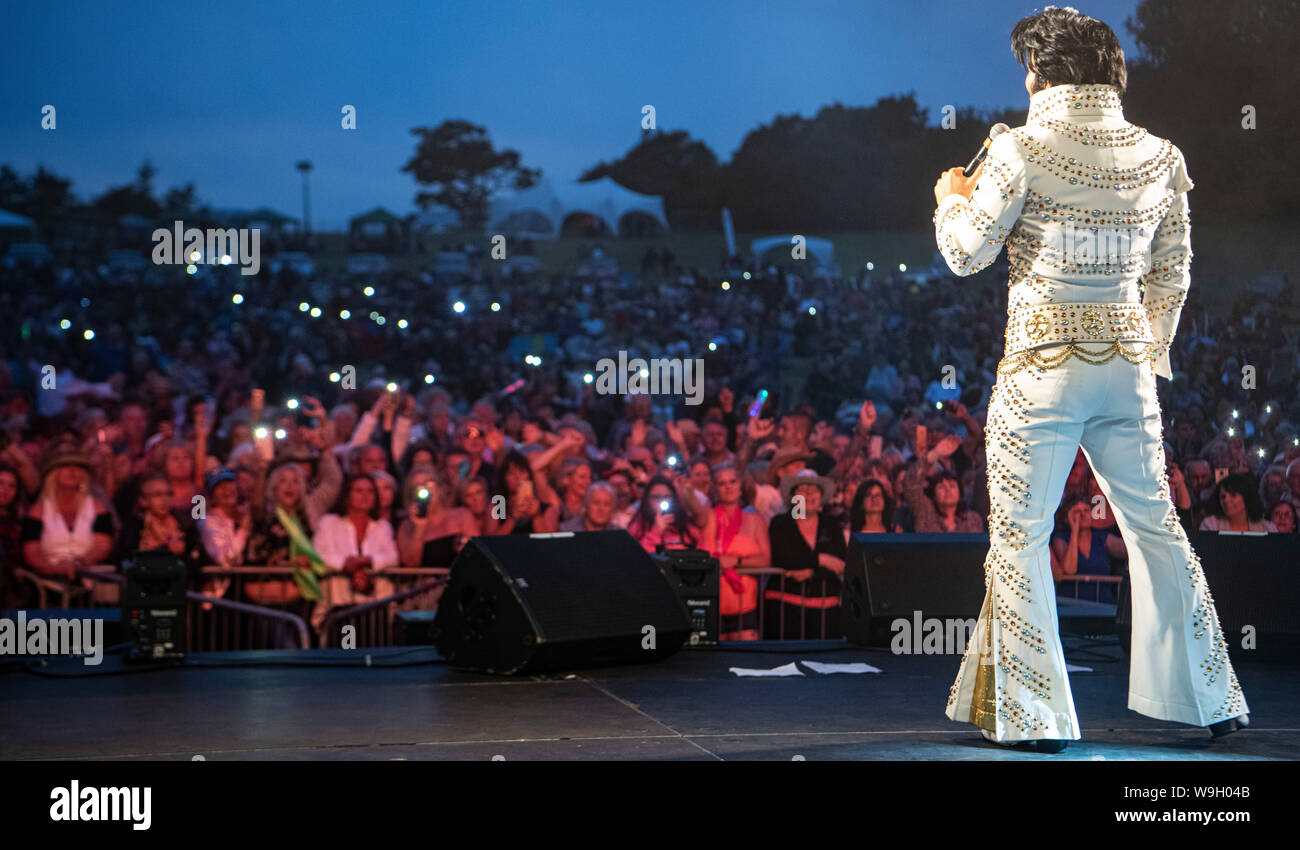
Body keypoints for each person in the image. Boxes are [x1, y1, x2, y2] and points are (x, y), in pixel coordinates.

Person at [934, 7, 1247, 752]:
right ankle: (1212, 700)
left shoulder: (1018, 150)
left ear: (1046, 70)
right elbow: (1173, 270)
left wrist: (951, 198)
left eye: (1027, 66)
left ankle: (1037, 718)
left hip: (1040, 374)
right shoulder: (1160, 155)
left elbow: (965, 255)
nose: (1023, 78)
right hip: (1127, 375)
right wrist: (1146, 352)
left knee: (1020, 535)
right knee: (1157, 529)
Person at [765, 469, 845, 639]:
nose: (808, 493)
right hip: (784, 610)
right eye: (802, 488)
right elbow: (781, 557)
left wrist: (812, 572)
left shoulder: (831, 526)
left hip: (825, 613)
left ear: (821, 496)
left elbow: (840, 562)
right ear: (793, 497)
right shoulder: (781, 523)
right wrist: (820, 559)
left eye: (814, 488)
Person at [1050, 493, 1127, 603]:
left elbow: (1127, 549)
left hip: (1103, 605)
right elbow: (1069, 570)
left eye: (1086, 511)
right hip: (1071, 605)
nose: (1083, 515)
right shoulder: (1061, 539)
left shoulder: (1102, 538)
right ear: (1068, 517)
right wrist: (1075, 531)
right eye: (1077, 512)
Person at [1198, 473, 1278, 533]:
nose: (1226, 500)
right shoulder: (1211, 525)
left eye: (1233, 495)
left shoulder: (1267, 528)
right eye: (1223, 497)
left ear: (1246, 497)